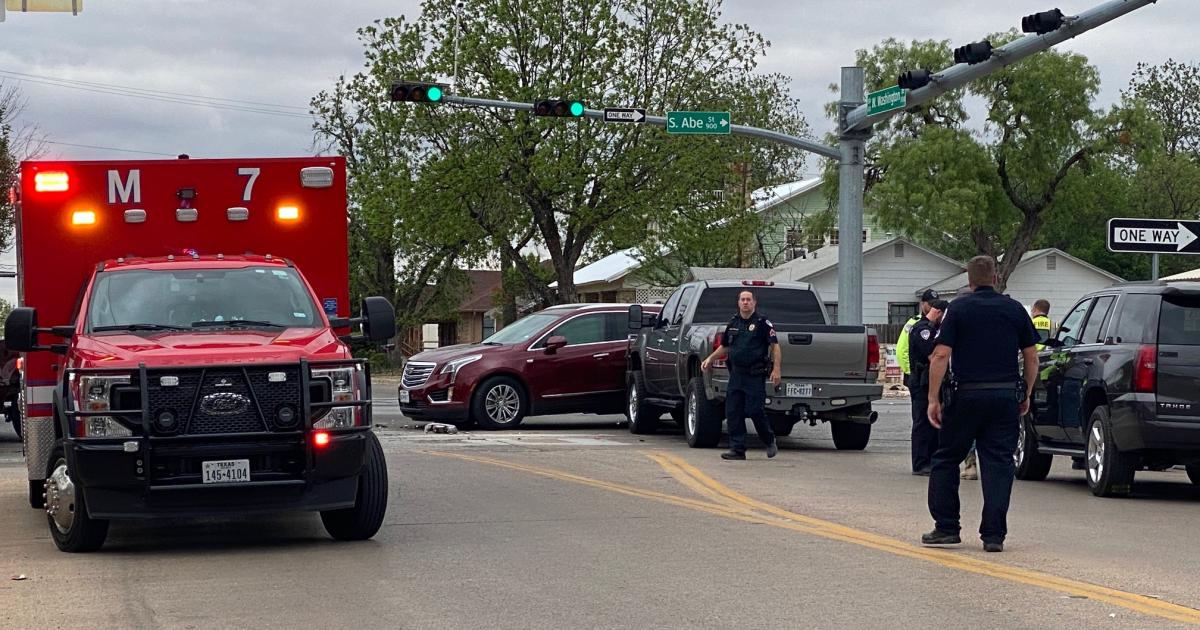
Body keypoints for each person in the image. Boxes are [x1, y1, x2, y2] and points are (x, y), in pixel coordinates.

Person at [923, 256, 1039, 553]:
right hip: (1003, 398)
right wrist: (1026, 391)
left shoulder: (959, 308)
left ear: (969, 280)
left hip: (965, 396)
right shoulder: (1014, 309)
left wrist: (933, 398)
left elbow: (939, 356)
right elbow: (1031, 356)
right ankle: (993, 535)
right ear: (996, 278)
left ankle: (947, 527)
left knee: (947, 458)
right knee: (999, 463)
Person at [700, 290, 781, 461]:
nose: (745, 302)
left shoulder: (763, 323)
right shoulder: (733, 323)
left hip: (754, 375)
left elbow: (775, 346)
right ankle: (737, 449)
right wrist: (709, 358)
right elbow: (725, 347)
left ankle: (769, 439)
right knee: (733, 412)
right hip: (736, 374)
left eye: (748, 300)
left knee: (754, 410)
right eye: (742, 300)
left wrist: (776, 369)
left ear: (754, 303)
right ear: (738, 303)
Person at [908, 299, 949, 476]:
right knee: (922, 424)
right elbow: (933, 356)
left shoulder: (932, 329)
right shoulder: (923, 330)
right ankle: (920, 463)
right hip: (921, 383)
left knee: (932, 424)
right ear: (939, 312)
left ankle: (931, 461)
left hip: (930, 383)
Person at [896, 289, 940, 389]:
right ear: (922, 304)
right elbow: (902, 349)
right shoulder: (914, 323)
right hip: (917, 373)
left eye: (935, 304)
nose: (933, 307)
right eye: (930, 304)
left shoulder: (939, 322)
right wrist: (910, 371)